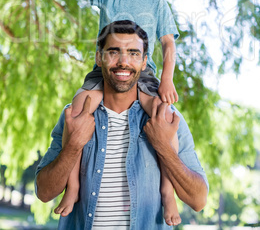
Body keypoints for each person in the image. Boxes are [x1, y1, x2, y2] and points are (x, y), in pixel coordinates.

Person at [56, 0, 181, 224]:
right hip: (107, 72)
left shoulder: (157, 3)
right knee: (76, 111)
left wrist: (166, 79)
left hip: (145, 74)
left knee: (164, 115)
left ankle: (167, 191)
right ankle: (73, 187)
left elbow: (168, 43)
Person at [35, 20, 208, 230]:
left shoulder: (165, 119)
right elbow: (44, 192)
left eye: (134, 53)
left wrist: (163, 146)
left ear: (144, 62)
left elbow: (198, 200)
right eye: (114, 52)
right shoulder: (75, 115)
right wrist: (73, 146)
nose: (123, 62)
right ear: (99, 57)